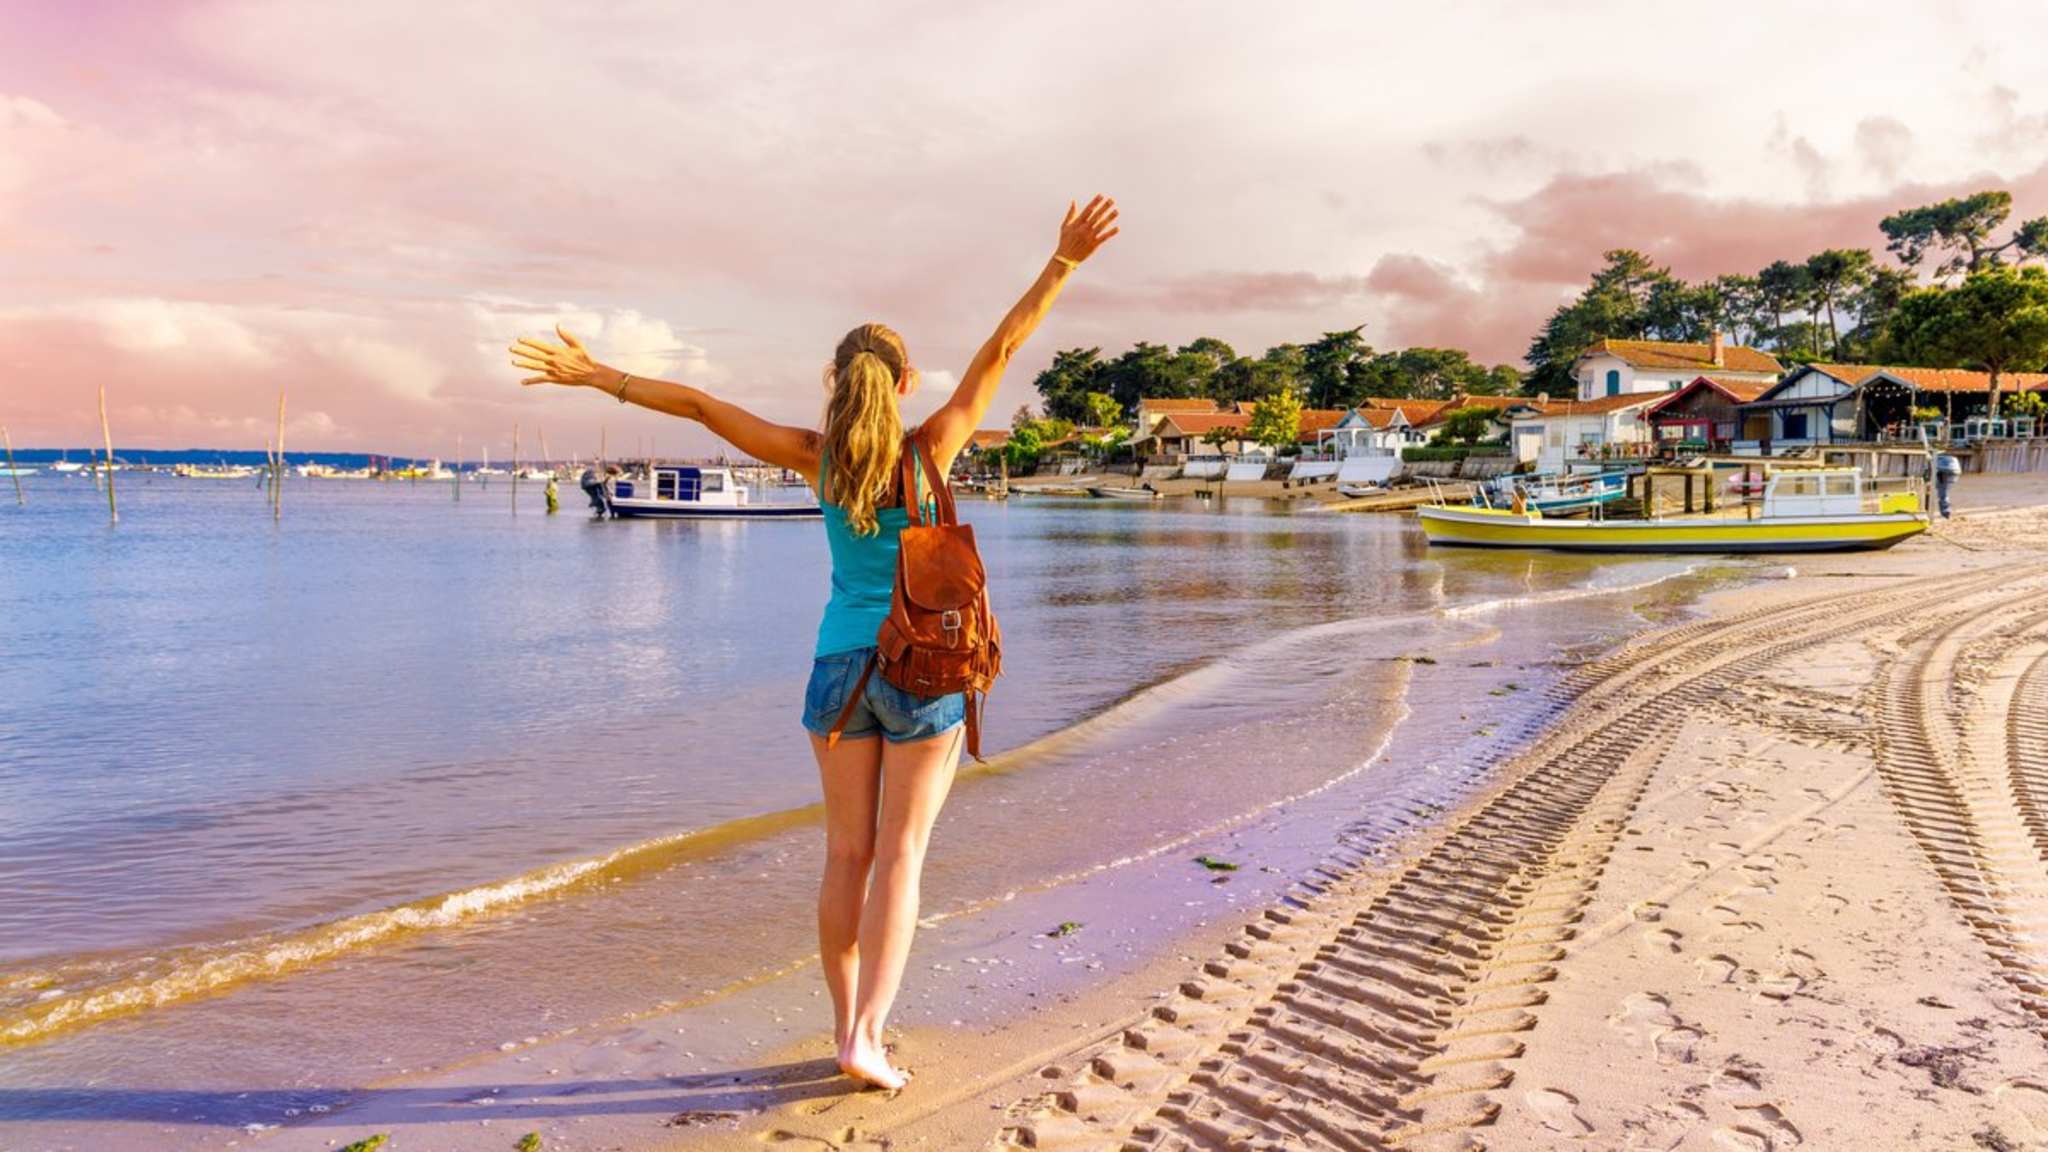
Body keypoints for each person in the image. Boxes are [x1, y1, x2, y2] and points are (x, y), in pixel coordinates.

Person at [507, 196, 1120, 1090]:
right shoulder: (933, 449)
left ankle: (844, 1028)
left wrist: (599, 376)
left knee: (846, 856)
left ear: (835, 382)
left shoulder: (814, 457)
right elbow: (1002, 351)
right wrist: (1063, 262)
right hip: (921, 670)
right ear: (905, 384)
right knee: (902, 858)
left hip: (838, 671)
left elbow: (704, 409)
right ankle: (867, 1036)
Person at [1934, 451, 1961, 519]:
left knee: (1943, 494)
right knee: (1944, 492)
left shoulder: (1939, 460)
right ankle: (1946, 512)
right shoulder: (1949, 460)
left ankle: (1945, 513)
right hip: (1953, 474)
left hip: (1943, 474)